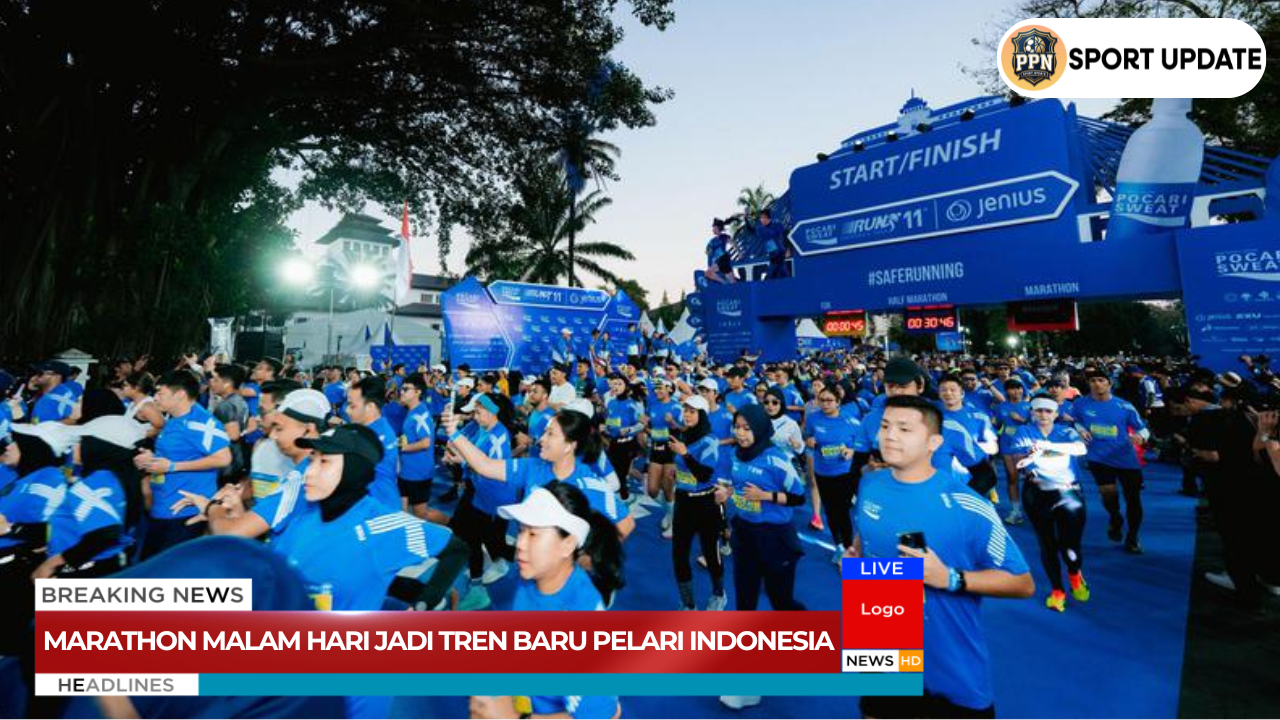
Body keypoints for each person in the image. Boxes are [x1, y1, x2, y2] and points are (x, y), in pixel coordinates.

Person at [853, 395, 1034, 718]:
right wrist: (858, 564)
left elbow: (1022, 583)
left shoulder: (967, 504)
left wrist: (950, 578)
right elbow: (865, 540)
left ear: (933, 442)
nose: (889, 435)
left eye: (904, 428)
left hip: (949, 665)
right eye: (884, 426)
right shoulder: (870, 484)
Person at [469, 482, 623, 720]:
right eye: (520, 530)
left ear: (568, 544)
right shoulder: (531, 576)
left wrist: (514, 717)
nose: (520, 544)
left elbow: (605, 716)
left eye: (533, 534)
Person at [714, 404, 806, 611]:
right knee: (745, 599)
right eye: (737, 427)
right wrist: (727, 492)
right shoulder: (734, 454)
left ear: (760, 428)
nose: (740, 433)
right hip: (745, 534)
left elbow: (799, 498)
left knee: (781, 601)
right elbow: (737, 485)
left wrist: (765, 496)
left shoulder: (777, 459)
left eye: (747, 428)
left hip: (775, 538)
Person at [33, 415, 147, 580]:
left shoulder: (96, 482)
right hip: (113, 564)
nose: (75, 447)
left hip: (86, 570)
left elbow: (105, 534)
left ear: (97, 446)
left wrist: (51, 564)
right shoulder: (123, 475)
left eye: (82, 441)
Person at [134, 370, 231, 559]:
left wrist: (172, 467)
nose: (155, 398)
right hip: (162, 505)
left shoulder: (201, 423)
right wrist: (151, 458)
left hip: (184, 512)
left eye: (160, 393)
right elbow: (176, 454)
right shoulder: (173, 419)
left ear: (179, 395)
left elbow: (223, 458)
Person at [1009, 397, 1090, 612]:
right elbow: (1019, 461)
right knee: (1047, 545)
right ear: (1033, 413)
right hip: (1036, 493)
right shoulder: (1023, 432)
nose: (1043, 415)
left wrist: (1047, 447)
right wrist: (1030, 456)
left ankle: (1074, 574)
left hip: (1068, 492)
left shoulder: (1067, 431)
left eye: (1048, 411)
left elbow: (1081, 449)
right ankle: (1057, 591)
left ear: (1056, 414)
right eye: (1039, 411)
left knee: (1070, 545)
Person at [448, 391, 515, 609]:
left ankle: (478, 587)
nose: (475, 416)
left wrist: (462, 460)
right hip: (479, 493)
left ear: (493, 412)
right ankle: (483, 573)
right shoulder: (486, 429)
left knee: (476, 539)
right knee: (478, 538)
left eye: (478, 412)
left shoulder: (497, 436)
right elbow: (475, 457)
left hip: (490, 498)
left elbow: (487, 467)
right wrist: (459, 458)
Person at [1072, 369, 1149, 554]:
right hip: (1098, 457)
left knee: (1133, 499)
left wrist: (1140, 436)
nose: (1097, 384)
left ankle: (1132, 537)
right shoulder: (1080, 404)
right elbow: (1075, 421)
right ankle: (1115, 518)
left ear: (1109, 383)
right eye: (1093, 380)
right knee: (1108, 493)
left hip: (1125, 458)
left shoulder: (1124, 406)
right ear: (1088, 384)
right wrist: (1080, 430)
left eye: (1101, 380)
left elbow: (1144, 428)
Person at [668, 394, 726, 611]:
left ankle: (719, 594)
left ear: (701, 414)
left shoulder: (710, 439)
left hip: (706, 503)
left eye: (692, 411)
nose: (687, 415)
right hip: (683, 502)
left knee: (710, 552)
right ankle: (689, 604)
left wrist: (684, 455)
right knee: (678, 554)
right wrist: (677, 472)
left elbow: (704, 474)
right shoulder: (684, 435)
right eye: (685, 411)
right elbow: (687, 470)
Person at [803, 384, 861, 564]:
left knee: (842, 511)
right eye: (822, 400)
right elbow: (806, 436)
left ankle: (850, 548)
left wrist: (850, 451)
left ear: (838, 402)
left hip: (844, 473)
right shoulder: (813, 418)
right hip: (822, 472)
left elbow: (860, 445)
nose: (825, 404)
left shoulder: (851, 421)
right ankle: (839, 546)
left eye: (829, 400)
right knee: (830, 511)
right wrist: (809, 441)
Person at [344, 375, 402, 509]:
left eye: (352, 406)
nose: (347, 410)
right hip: (386, 501)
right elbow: (397, 467)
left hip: (378, 510)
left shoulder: (367, 438)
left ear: (370, 407)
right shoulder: (383, 426)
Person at [398, 375, 444, 523]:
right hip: (406, 471)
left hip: (419, 473)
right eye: (401, 389)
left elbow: (426, 442)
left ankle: (453, 524)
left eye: (406, 389)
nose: (402, 392)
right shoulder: (411, 412)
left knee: (421, 514)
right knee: (402, 512)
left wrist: (404, 447)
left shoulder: (421, 414)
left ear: (418, 392)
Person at [645, 378, 682, 538]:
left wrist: (672, 422)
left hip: (670, 451)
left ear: (670, 389)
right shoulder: (652, 405)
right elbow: (650, 428)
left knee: (668, 489)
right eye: (656, 389)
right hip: (655, 449)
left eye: (661, 388)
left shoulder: (676, 406)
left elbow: (683, 428)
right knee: (652, 490)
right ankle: (669, 512)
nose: (658, 391)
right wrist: (645, 426)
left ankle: (673, 521)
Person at [602, 373, 644, 504]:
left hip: (628, 444)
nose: (616, 386)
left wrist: (630, 430)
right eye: (613, 384)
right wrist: (605, 428)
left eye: (619, 383)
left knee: (621, 473)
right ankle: (624, 495)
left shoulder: (634, 403)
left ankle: (625, 497)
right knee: (614, 472)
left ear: (626, 385)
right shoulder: (610, 402)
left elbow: (641, 424)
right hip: (614, 443)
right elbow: (611, 422)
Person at [994, 379, 1031, 522]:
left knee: (1031, 480)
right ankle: (1016, 511)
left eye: (1018, 388)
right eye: (1011, 389)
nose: (1015, 391)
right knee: (1012, 478)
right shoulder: (1001, 407)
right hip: (1007, 446)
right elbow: (997, 425)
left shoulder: (1030, 407)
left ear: (1022, 390)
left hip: (1026, 446)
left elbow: (1037, 427)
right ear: (1006, 391)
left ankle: (1035, 509)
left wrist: (1021, 420)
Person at [209, 363, 250, 486]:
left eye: (216, 380)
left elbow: (233, 435)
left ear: (227, 384)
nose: (212, 383)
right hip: (237, 460)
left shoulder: (225, 405)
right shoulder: (240, 401)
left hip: (227, 465)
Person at [121, 371, 164, 439]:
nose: (122, 388)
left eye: (125, 385)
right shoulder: (133, 403)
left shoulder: (147, 407)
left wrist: (141, 436)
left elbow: (163, 427)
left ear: (137, 387)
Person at [705, 218, 736, 284]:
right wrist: (709, 251)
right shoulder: (712, 241)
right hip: (721, 261)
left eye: (714, 228)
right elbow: (708, 252)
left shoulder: (723, 237)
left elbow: (733, 243)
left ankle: (724, 283)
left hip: (723, 258)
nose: (713, 230)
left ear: (718, 228)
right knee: (732, 282)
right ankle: (727, 285)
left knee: (708, 273)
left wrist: (740, 253)